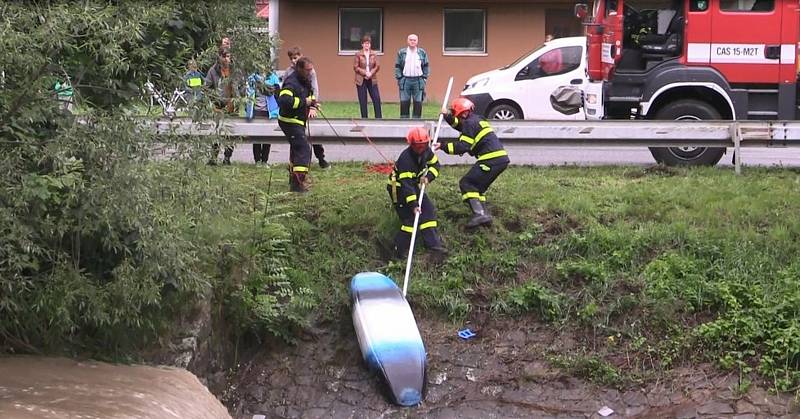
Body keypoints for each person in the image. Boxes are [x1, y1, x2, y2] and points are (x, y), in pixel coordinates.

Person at [436, 97, 509, 228]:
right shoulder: (477, 120)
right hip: (500, 159)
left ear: (462, 113)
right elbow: (460, 125)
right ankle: (485, 217)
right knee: (477, 188)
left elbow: (463, 146)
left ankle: (479, 214)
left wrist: (442, 146)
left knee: (467, 183)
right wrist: (447, 116)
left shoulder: (469, 123)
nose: (455, 116)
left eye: (455, 113)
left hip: (490, 159)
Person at [387, 127, 447, 259]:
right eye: (417, 146)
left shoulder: (427, 152)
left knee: (428, 211)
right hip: (399, 188)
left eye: (423, 145)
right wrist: (414, 205)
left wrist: (428, 177)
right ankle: (397, 249)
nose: (420, 149)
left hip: (413, 185)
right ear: (411, 144)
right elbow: (406, 186)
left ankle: (433, 245)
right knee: (411, 219)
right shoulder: (406, 159)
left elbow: (436, 165)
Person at [277, 56, 317, 192]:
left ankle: (294, 180)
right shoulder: (291, 82)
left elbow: (309, 95)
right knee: (303, 149)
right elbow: (284, 101)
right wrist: (303, 102)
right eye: (307, 70)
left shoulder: (305, 80)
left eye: (311, 70)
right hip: (289, 120)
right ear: (299, 69)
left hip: (298, 120)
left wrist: (312, 103)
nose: (310, 72)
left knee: (296, 148)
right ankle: (298, 183)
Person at [285, 46, 329, 169]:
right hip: (296, 109)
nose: (294, 61)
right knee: (296, 137)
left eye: (296, 58)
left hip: (308, 106)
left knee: (312, 133)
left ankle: (321, 158)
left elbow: (314, 89)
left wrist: (313, 107)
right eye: (291, 59)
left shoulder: (309, 71)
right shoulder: (289, 72)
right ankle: (293, 162)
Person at [204, 47, 241, 165]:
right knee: (217, 132)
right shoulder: (213, 71)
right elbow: (207, 88)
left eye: (228, 56)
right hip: (218, 106)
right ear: (219, 57)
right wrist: (213, 102)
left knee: (230, 133)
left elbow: (241, 86)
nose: (226, 59)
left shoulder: (235, 71)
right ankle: (213, 157)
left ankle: (227, 158)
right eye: (224, 56)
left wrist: (238, 98)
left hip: (232, 105)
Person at [246, 63, 281, 164]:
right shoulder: (252, 78)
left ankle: (265, 160)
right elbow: (248, 94)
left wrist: (278, 109)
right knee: (256, 137)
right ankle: (257, 161)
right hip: (256, 111)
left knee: (267, 137)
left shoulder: (273, 78)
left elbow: (278, 94)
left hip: (269, 112)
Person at [394, 34, 429, 119]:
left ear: (417, 41)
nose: (412, 42)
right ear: (407, 41)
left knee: (418, 102)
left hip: (418, 80)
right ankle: (404, 120)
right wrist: (400, 78)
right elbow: (397, 66)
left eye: (414, 40)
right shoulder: (402, 52)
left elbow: (426, 66)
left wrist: (424, 78)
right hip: (405, 80)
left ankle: (416, 121)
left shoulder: (422, 52)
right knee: (404, 102)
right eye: (411, 40)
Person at [353, 35, 382, 118]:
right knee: (363, 100)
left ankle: (379, 117)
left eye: (368, 43)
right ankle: (364, 118)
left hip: (372, 79)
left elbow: (377, 66)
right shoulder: (358, 54)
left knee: (376, 98)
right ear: (362, 44)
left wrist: (370, 73)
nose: (367, 45)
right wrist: (365, 73)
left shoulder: (374, 54)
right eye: (365, 43)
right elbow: (355, 67)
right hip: (361, 79)